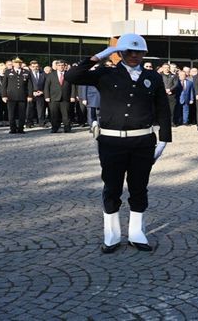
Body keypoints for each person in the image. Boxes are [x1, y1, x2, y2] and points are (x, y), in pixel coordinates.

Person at [65, 33, 172, 254]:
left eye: (138, 52)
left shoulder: (153, 77)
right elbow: (72, 76)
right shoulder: (105, 73)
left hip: (143, 141)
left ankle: (136, 233)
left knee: (139, 188)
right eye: (128, 51)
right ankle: (111, 235)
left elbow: (163, 108)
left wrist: (164, 139)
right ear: (120, 52)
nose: (133, 56)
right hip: (111, 141)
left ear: (144, 53)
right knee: (112, 187)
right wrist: (101, 56)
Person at [44, 59, 76, 133]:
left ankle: (67, 128)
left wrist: (73, 96)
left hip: (66, 98)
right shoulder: (51, 75)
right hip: (53, 98)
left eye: (62, 65)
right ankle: (55, 128)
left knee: (66, 114)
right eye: (59, 65)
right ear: (56, 66)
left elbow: (73, 86)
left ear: (65, 66)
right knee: (54, 114)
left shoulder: (69, 74)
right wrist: (47, 96)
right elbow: (46, 86)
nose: (61, 67)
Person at [3, 57, 33, 134]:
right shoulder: (8, 72)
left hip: (22, 96)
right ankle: (12, 128)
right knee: (11, 114)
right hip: (11, 96)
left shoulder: (26, 72)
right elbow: (4, 85)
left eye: (19, 62)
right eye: (16, 62)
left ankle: (20, 128)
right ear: (13, 63)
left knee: (22, 114)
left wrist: (30, 95)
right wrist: (4, 95)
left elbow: (29, 85)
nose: (18, 64)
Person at [27, 60, 47, 128]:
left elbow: (46, 84)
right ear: (30, 67)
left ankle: (41, 123)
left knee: (41, 110)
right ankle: (29, 123)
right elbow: (26, 85)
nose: (35, 68)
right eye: (33, 66)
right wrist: (32, 92)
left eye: (36, 66)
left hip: (40, 94)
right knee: (30, 109)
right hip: (31, 94)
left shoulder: (43, 74)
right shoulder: (27, 74)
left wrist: (43, 91)